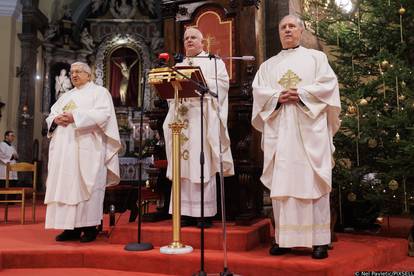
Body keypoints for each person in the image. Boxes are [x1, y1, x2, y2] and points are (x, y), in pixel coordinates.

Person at [251, 14, 341, 259]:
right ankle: (284, 238)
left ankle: (319, 240)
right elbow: (259, 93)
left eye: (292, 26)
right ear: (279, 33)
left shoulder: (316, 58)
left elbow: (328, 87)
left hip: (310, 131)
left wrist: (300, 93)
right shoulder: (268, 66)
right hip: (281, 132)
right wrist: (277, 98)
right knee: (284, 184)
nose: (287, 30)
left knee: (313, 180)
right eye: (283, 27)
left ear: (301, 31)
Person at [163, 27, 234, 228]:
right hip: (181, 117)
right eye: (186, 38)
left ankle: (203, 213)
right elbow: (169, 93)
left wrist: (199, 80)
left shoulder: (214, 62)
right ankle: (183, 212)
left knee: (200, 164)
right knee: (181, 165)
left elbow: (222, 86)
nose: (189, 41)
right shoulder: (179, 64)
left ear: (203, 42)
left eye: (193, 37)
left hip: (202, 118)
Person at [45, 61, 121, 243]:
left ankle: (89, 227)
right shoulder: (65, 96)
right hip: (65, 151)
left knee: (89, 187)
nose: (74, 75)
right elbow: (51, 115)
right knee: (66, 186)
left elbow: (104, 115)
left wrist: (75, 116)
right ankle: (69, 228)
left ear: (89, 75)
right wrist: (55, 119)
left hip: (89, 149)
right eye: (72, 72)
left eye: (78, 71)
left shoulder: (100, 93)